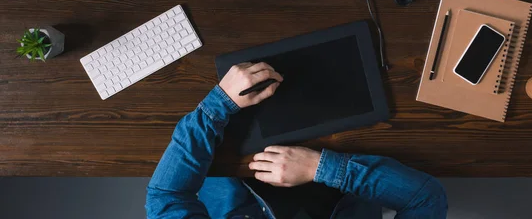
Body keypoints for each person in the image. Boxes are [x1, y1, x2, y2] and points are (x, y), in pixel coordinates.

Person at [146, 62, 447, 219]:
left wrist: (218, 105)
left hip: (235, 153)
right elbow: (425, 199)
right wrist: (320, 167)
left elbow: (166, 198)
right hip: (349, 151)